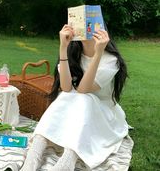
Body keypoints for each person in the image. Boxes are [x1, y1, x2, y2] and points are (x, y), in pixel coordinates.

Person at [21, 24, 129, 171]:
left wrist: (98, 54)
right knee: (66, 95)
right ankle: (33, 157)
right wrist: (63, 47)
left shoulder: (110, 60)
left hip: (103, 115)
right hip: (77, 110)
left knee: (84, 97)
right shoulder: (74, 52)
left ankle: (68, 160)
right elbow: (66, 87)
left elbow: (83, 89)